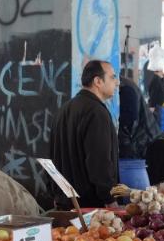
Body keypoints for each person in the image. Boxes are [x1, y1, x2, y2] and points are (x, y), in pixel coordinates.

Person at [48, 60, 119, 209]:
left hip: (64, 203)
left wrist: (55, 193)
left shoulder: (64, 110)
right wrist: (109, 199)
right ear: (98, 81)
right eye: (113, 77)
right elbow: (99, 161)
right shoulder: (97, 113)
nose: (117, 82)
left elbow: (52, 157)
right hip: (90, 208)